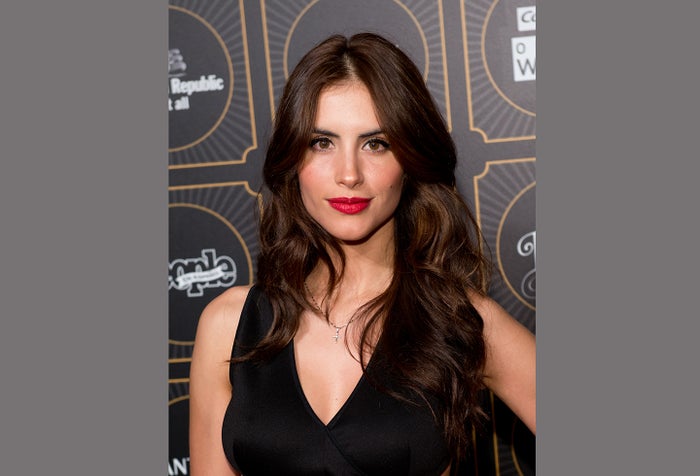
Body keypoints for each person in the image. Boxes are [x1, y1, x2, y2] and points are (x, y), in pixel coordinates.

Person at [189, 32, 536, 476]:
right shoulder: (228, 325)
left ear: (409, 160)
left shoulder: (459, 320)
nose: (349, 174)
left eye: (376, 143)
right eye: (322, 142)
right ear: (293, 159)